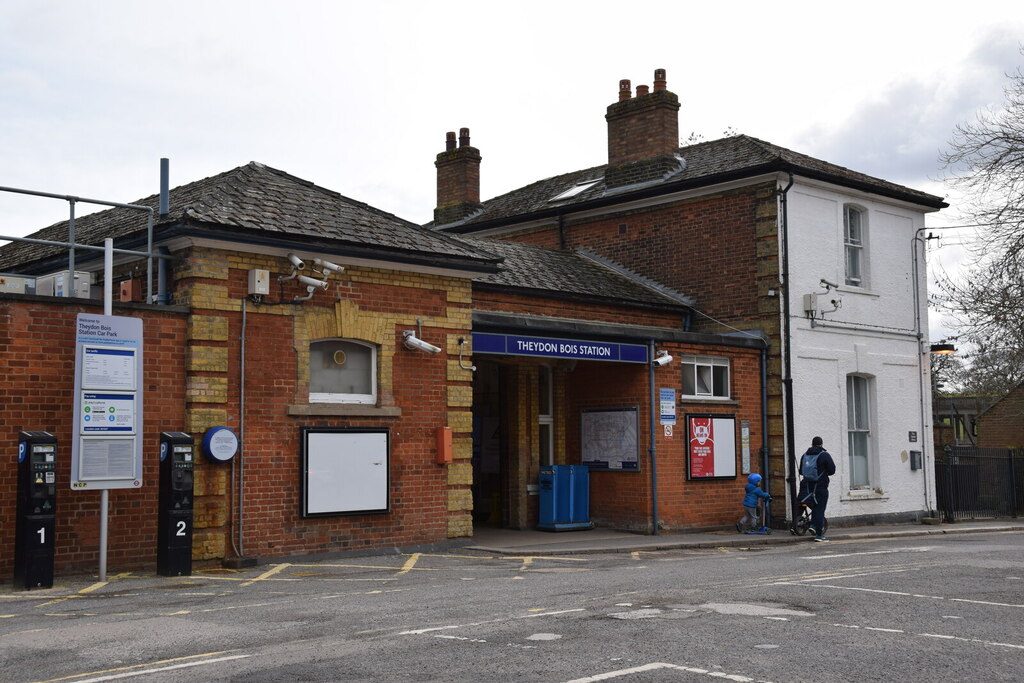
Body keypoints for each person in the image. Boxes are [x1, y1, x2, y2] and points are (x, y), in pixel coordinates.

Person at [798, 436, 836, 542]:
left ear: (812, 444)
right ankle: (819, 535)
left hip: (809, 486)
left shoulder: (805, 455)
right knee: (820, 509)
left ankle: (813, 526)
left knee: (815, 507)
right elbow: (832, 470)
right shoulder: (824, 455)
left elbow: (801, 471)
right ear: (821, 444)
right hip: (821, 486)